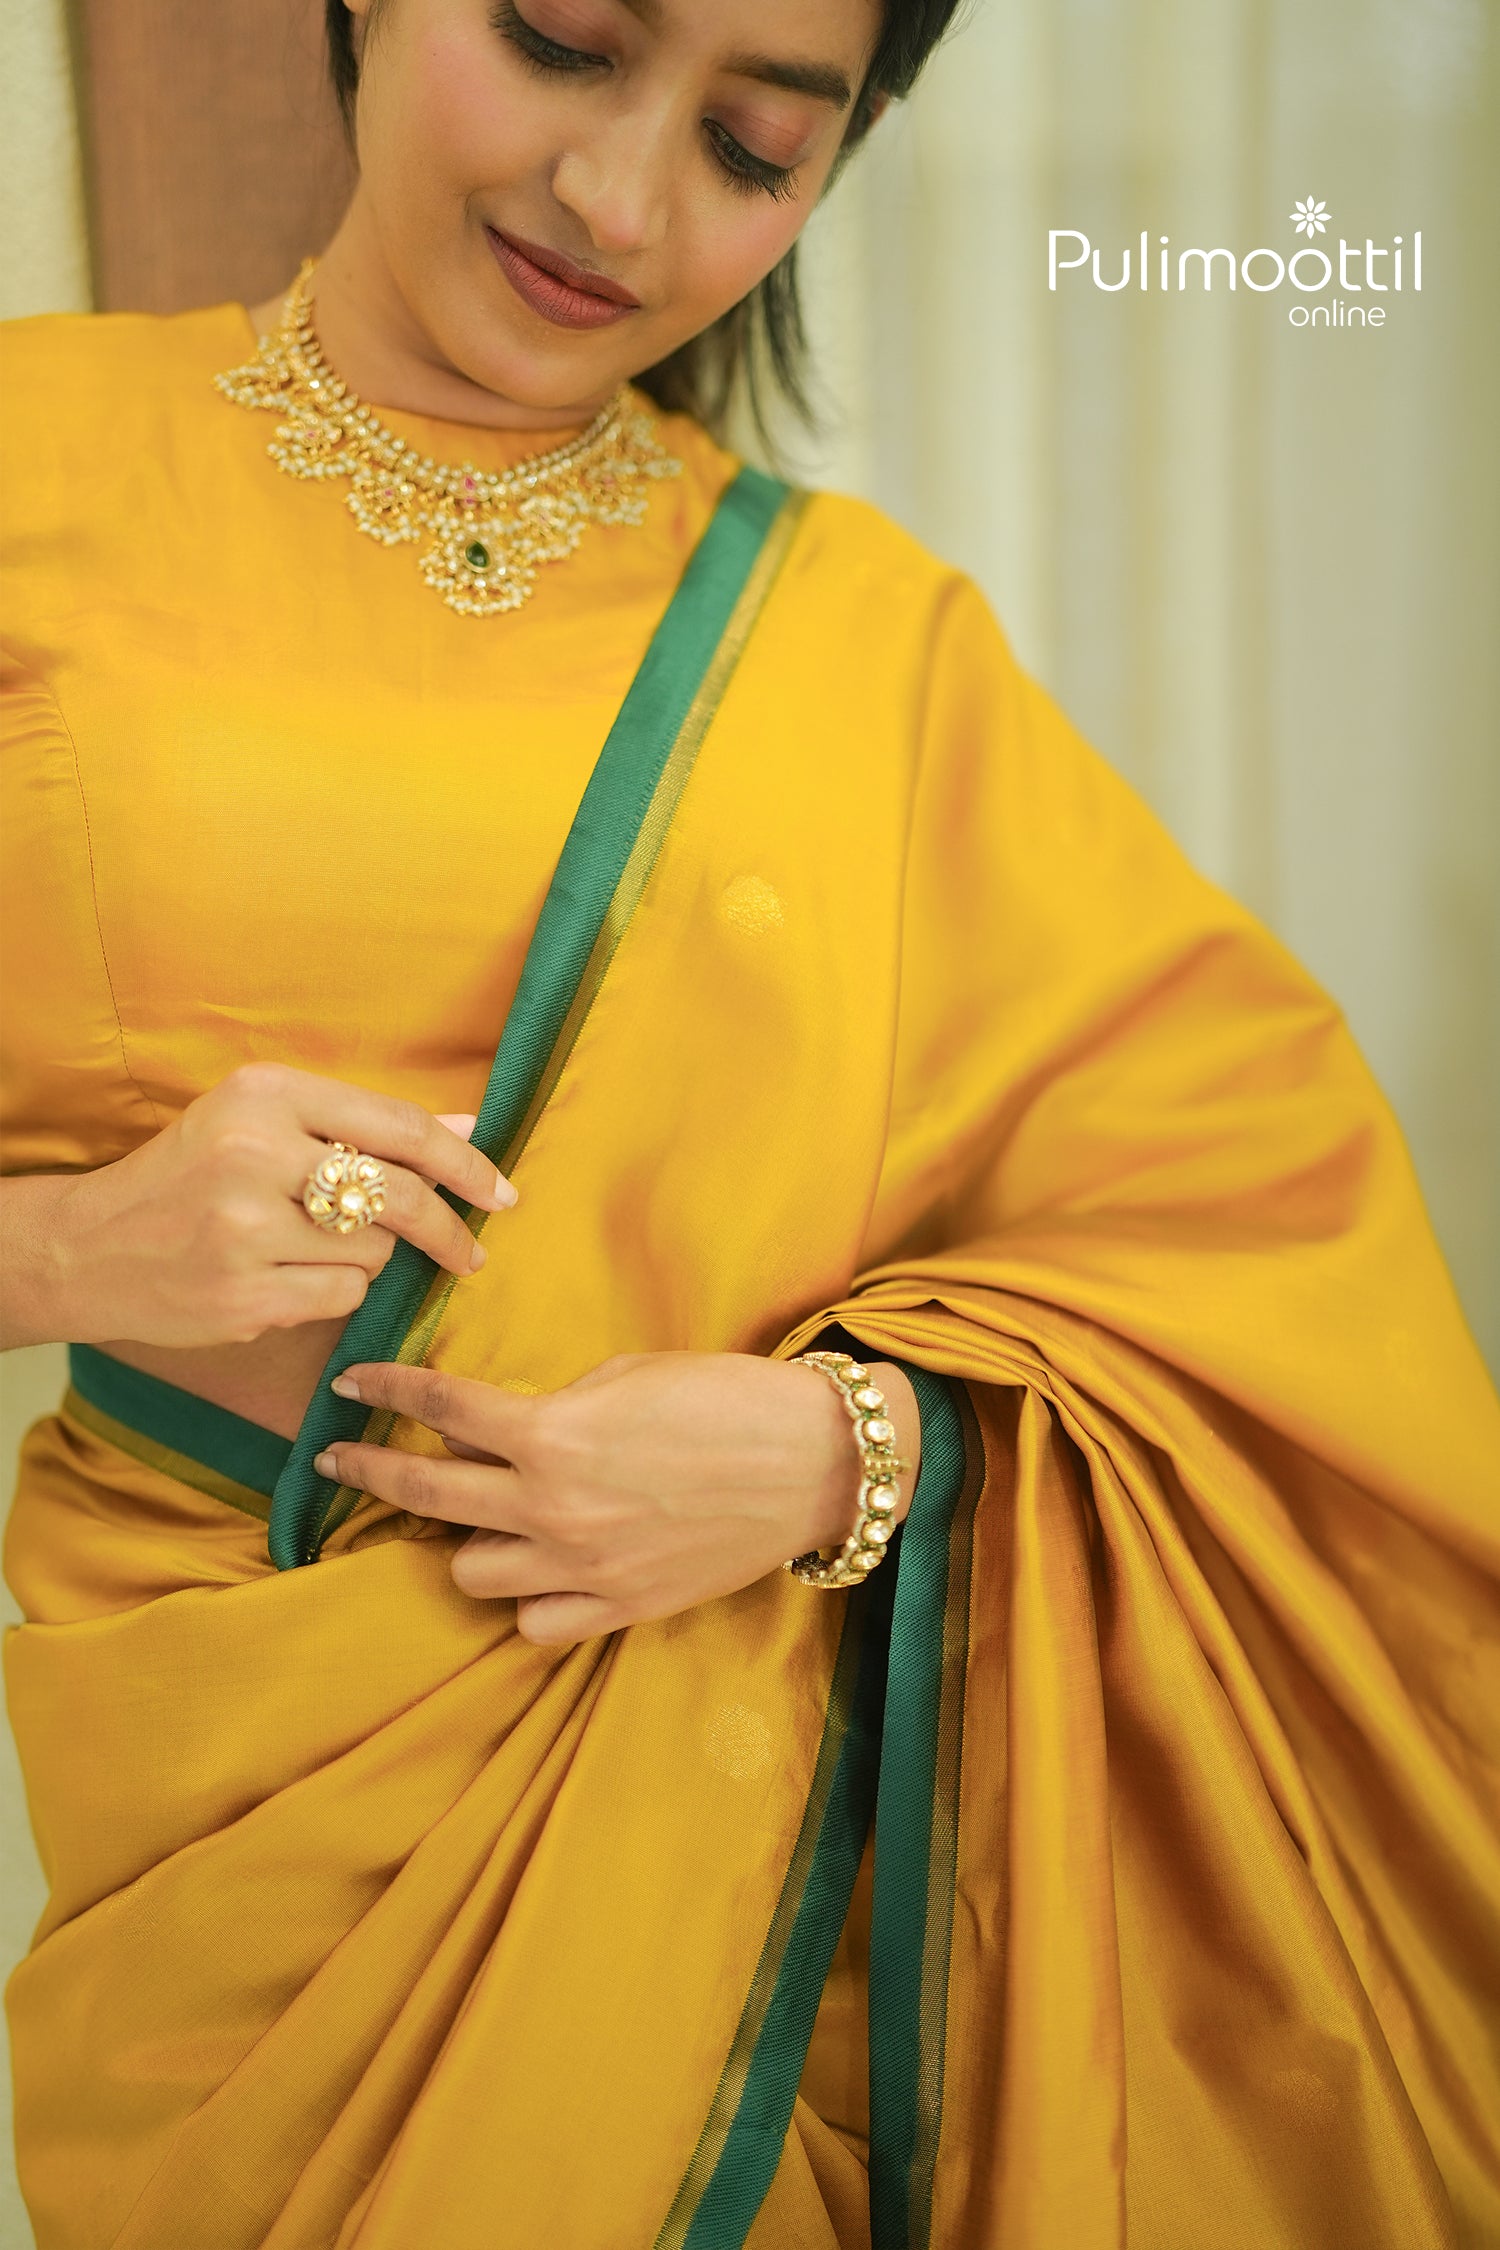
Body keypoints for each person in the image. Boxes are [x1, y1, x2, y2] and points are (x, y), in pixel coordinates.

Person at [2, 0, 1498, 2241]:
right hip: (227, 1854)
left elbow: (1260, 1246)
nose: (617, 199)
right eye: (561, 41)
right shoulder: (37, 462)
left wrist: (839, 1454)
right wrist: (67, 1248)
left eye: (755, 144)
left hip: (752, 1851)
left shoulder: (867, 650)